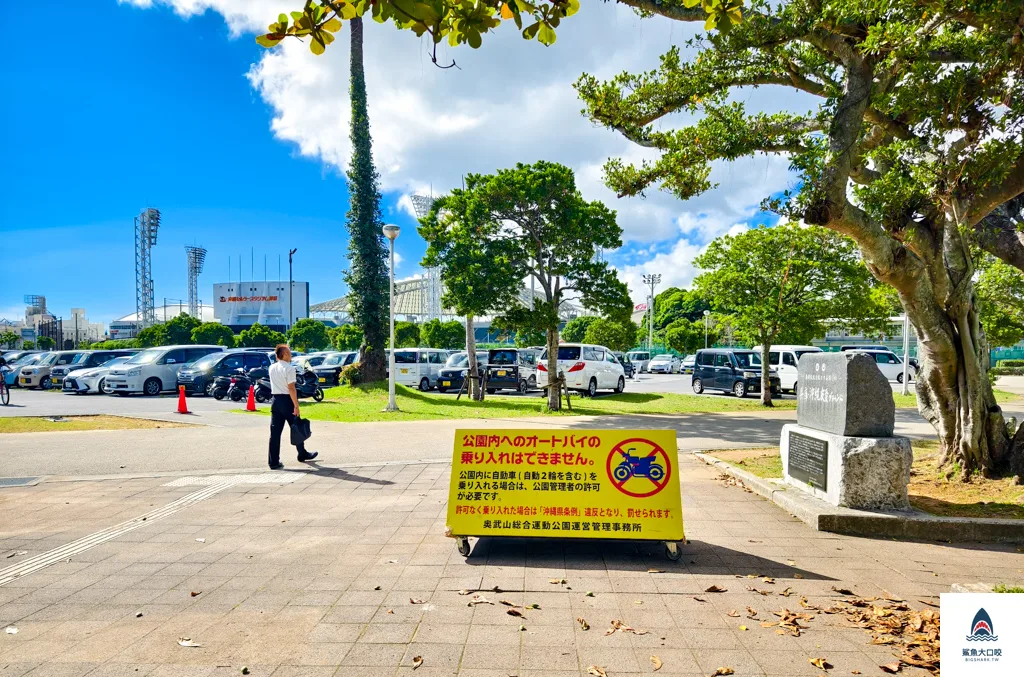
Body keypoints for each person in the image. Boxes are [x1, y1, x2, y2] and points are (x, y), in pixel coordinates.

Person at [267, 344, 318, 470]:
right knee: (297, 427)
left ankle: (273, 461)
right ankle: (302, 453)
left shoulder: (271, 367)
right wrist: (296, 405)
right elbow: (291, 388)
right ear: (284, 355)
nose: (291, 355)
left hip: (275, 400)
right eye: (289, 353)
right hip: (287, 400)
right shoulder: (289, 368)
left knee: (275, 432)